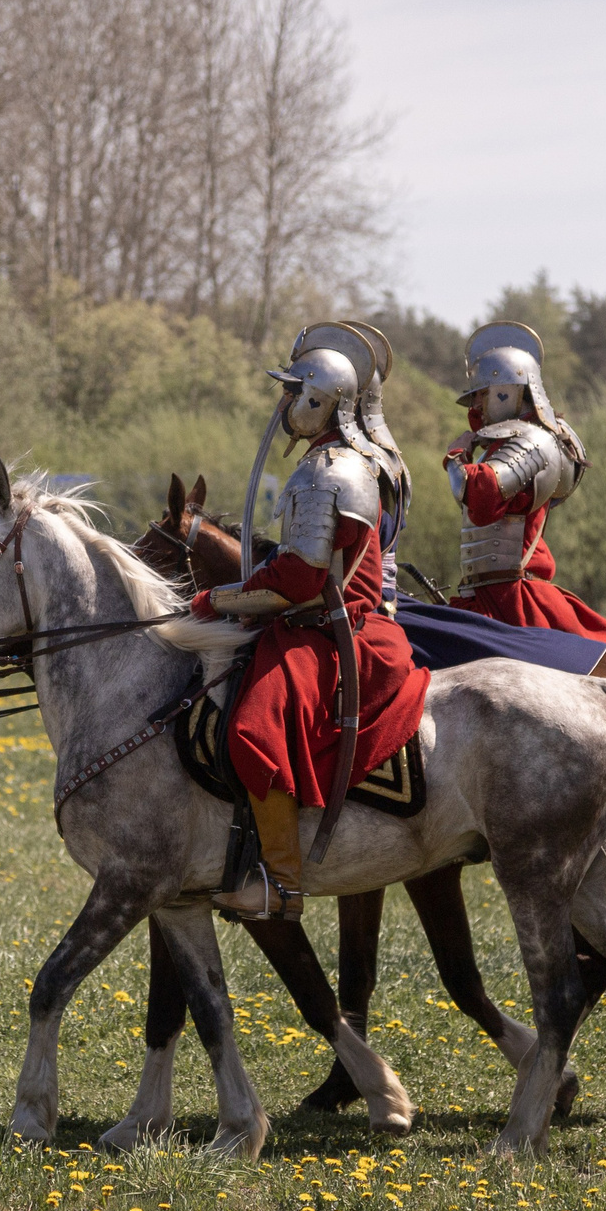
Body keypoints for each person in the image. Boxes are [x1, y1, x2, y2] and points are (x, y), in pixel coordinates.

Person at [192, 333, 430, 920]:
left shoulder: (331, 469)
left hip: (333, 633)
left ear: (323, 402)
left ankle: (283, 885)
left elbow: (298, 580)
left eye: (295, 392)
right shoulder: (326, 462)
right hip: (316, 622)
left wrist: (216, 601)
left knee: (252, 730)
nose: (284, 405)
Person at [443, 323, 606, 654]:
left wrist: (455, 458)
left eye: (482, 393)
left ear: (506, 391)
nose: (476, 404)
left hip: (512, 601)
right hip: (487, 594)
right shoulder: (501, 443)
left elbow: (480, 491)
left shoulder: (531, 440)